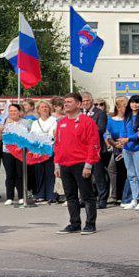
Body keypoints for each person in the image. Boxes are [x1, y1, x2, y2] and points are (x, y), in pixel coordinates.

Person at [53, 93, 101, 234]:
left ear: (79, 104)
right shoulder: (61, 122)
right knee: (70, 196)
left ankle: (90, 224)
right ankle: (74, 223)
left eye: (69, 101)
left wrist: (89, 164)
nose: (66, 104)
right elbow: (58, 145)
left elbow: (93, 143)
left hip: (81, 164)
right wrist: (57, 164)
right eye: (65, 102)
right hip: (65, 164)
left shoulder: (87, 122)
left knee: (87, 196)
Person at [80, 93, 110, 209]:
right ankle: (85, 198)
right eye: (83, 101)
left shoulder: (100, 113)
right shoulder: (80, 114)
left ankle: (102, 199)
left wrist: (87, 124)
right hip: (82, 149)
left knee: (99, 175)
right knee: (84, 175)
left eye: (87, 100)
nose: (85, 103)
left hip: (96, 148)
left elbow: (100, 129)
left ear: (91, 101)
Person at [0, 103, 30, 206]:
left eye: (15, 111)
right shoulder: (3, 122)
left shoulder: (26, 122)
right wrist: (2, 129)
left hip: (21, 151)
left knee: (20, 174)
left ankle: (21, 196)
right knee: (10, 174)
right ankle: (9, 197)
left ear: (19, 112)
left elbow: (29, 136)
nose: (13, 113)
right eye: (11, 111)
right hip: (7, 151)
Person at [120, 95, 139, 210]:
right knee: (131, 175)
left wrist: (128, 139)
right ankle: (134, 199)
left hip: (138, 149)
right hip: (127, 149)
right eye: (132, 102)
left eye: (137, 102)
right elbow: (123, 130)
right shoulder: (127, 116)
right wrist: (122, 140)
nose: (134, 105)